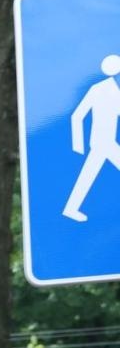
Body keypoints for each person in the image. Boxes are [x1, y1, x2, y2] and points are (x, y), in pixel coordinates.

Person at [64, 54, 120, 222]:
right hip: (102, 142)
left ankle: (70, 208)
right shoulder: (102, 89)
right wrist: (77, 145)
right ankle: (70, 209)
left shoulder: (112, 89)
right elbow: (76, 116)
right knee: (87, 175)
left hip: (107, 141)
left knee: (87, 175)